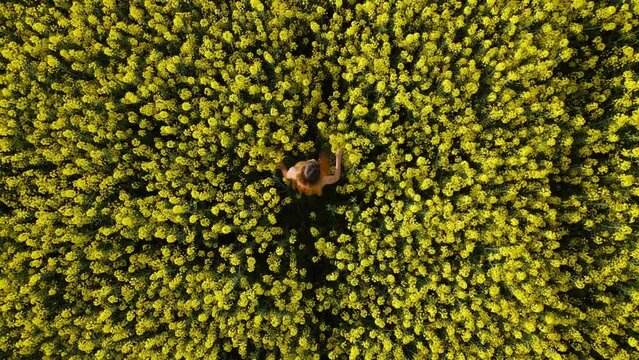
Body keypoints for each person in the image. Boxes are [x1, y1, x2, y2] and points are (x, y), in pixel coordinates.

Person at [278, 149, 343, 196]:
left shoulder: (294, 171)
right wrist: (338, 157)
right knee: (324, 155)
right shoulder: (323, 179)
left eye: (311, 161)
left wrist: (281, 165)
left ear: (303, 168)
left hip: (301, 185)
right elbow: (336, 177)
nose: (313, 159)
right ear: (320, 174)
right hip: (315, 187)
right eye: (315, 163)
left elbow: (286, 175)